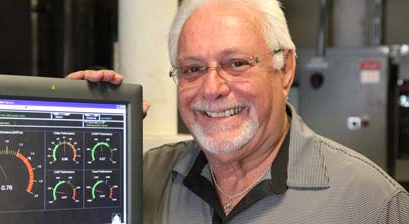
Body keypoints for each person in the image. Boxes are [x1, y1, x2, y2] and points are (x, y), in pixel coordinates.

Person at [68, 0, 409, 223]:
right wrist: (70, 144)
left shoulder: (372, 203)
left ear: (285, 68)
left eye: (236, 63)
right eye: (193, 69)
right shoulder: (141, 179)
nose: (213, 88)